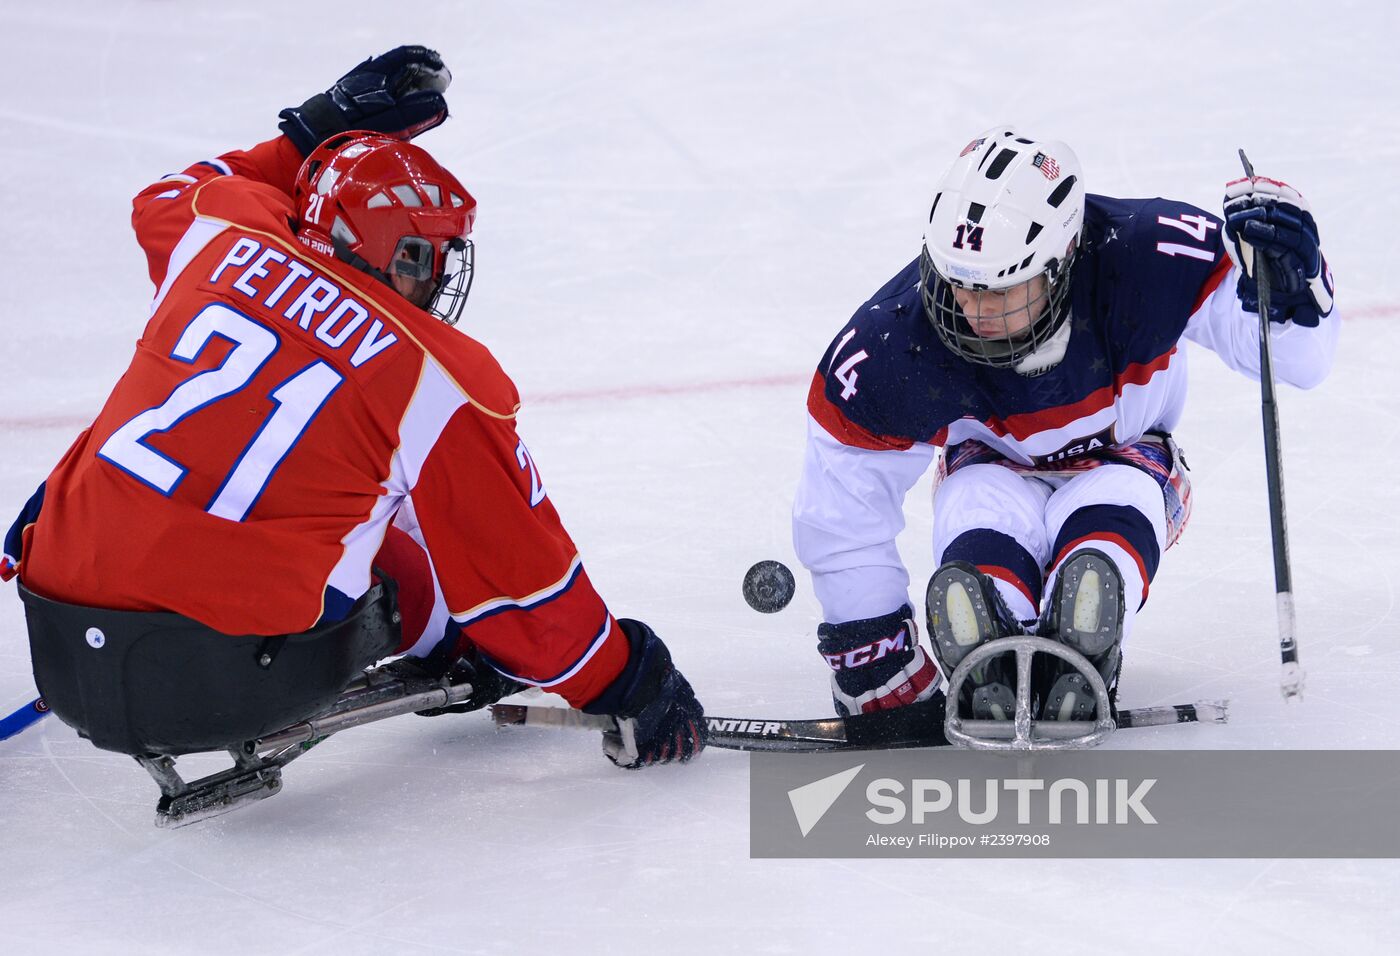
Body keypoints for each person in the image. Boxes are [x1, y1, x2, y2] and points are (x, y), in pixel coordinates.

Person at [3, 46, 705, 770]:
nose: (432, 278)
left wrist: (314, 130)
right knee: (407, 520)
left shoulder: (221, 230)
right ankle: (451, 644)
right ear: (366, 243)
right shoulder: (436, 376)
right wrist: (624, 679)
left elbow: (176, 189)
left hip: (56, 631)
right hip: (215, 681)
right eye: (417, 256)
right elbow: (521, 585)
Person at [793, 126, 1337, 731]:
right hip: (989, 465)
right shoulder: (891, 342)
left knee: (1118, 503)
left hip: (1127, 458)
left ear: (1062, 259)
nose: (970, 310)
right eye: (956, 282)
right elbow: (841, 508)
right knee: (976, 503)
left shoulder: (1151, 257)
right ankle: (994, 643)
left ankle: (1079, 642)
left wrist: (1295, 291)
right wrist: (875, 656)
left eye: (999, 288)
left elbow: (1298, 364)